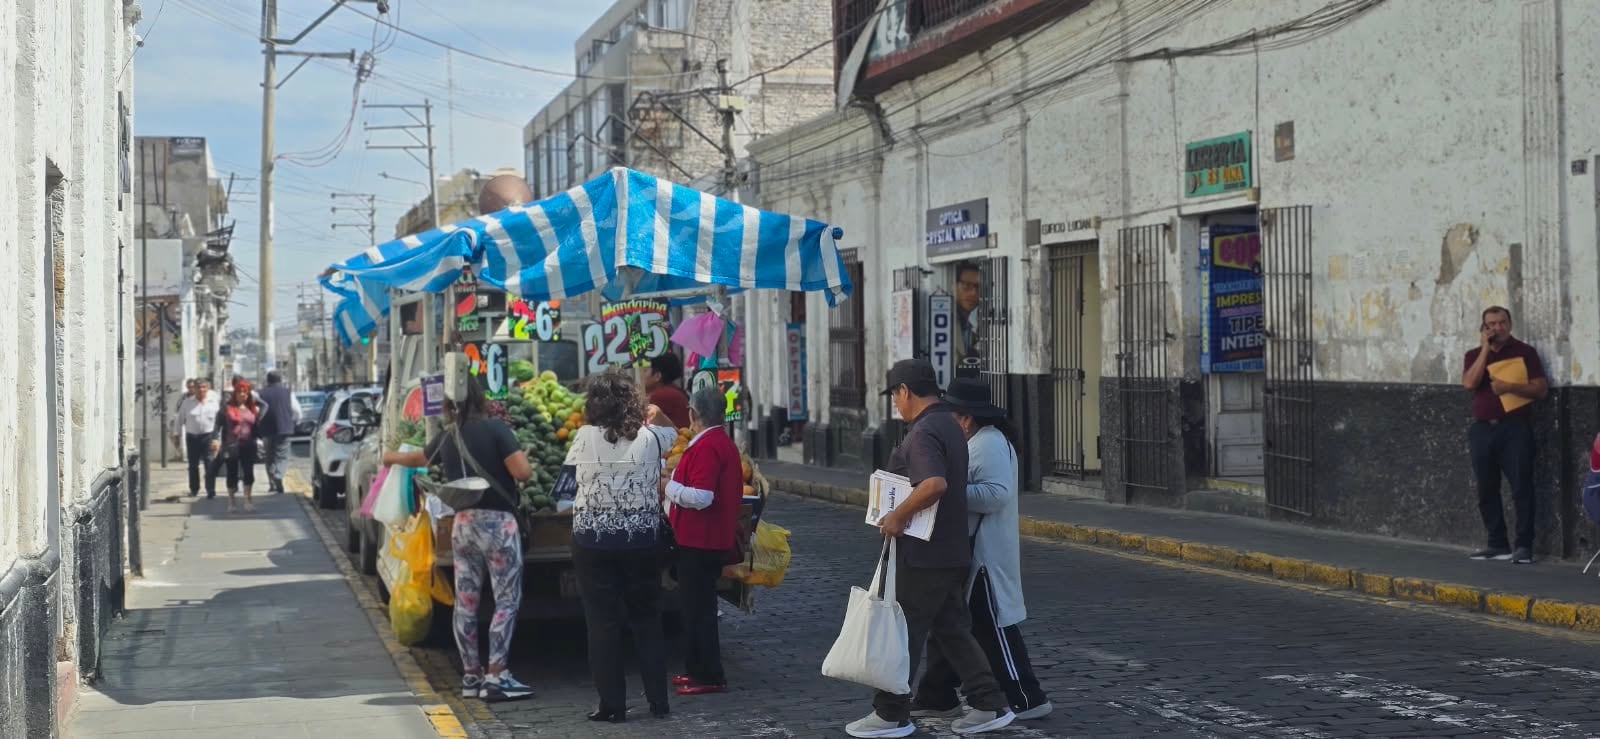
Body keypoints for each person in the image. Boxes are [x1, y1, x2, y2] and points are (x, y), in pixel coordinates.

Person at [846, 359, 1014, 738]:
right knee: (952, 629)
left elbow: (933, 483)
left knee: (902, 630)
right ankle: (988, 703)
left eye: (895, 396)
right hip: (951, 549)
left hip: (924, 553)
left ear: (905, 391)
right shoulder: (950, 426)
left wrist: (897, 517)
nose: (896, 404)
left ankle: (890, 714)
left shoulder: (922, 432)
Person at [384, 374, 535, 703]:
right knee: (505, 601)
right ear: (480, 397)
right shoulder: (496, 429)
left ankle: (470, 676)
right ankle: (496, 676)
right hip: (498, 526)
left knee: (465, 603)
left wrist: (390, 457)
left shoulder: (448, 435)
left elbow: (420, 460)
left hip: (463, 526)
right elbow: (522, 473)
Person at [912, 378, 1050, 721]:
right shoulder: (977, 441)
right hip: (968, 550)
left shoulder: (987, 444)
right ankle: (937, 694)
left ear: (966, 419)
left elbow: (996, 494)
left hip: (986, 554)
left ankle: (1027, 696)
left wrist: (947, 494)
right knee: (952, 624)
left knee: (992, 626)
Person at [565, 371, 678, 723]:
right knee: (647, 619)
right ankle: (659, 702)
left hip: (592, 542)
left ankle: (612, 705)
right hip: (641, 540)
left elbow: (565, 489)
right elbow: (674, 429)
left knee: (603, 624)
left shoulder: (582, 438)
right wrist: (653, 411)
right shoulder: (653, 437)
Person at [663, 385, 743, 697]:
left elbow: (702, 496)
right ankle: (696, 668)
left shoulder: (709, 446)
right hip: (699, 539)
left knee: (700, 611)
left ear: (693, 414)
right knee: (693, 609)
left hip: (702, 541)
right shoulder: (715, 442)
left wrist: (669, 487)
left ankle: (709, 674)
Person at [1462, 306, 1547, 564]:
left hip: (1515, 427)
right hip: (1482, 428)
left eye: (1501, 323)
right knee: (1486, 488)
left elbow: (1541, 390)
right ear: (1483, 328)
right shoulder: (1474, 355)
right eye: (1491, 324)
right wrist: (1485, 350)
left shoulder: (1524, 352)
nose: (1497, 328)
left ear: (1509, 324)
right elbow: (1469, 384)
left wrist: (1509, 386)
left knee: (1521, 486)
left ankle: (1523, 546)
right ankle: (1497, 543)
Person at [215, 381, 267, 513]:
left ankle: (247, 500)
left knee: (248, 473)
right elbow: (217, 425)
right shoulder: (226, 408)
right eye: (240, 392)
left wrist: (255, 398)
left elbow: (264, 409)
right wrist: (215, 440)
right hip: (231, 445)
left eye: (245, 392)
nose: (242, 395)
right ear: (235, 393)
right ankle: (231, 501)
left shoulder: (252, 408)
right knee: (231, 473)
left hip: (248, 444)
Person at [256, 370, 302, 494]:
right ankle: (278, 475)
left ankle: (272, 483)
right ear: (280, 380)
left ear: (267, 380)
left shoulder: (260, 393)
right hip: (284, 428)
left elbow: (257, 411)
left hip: (266, 429)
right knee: (282, 455)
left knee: (269, 456)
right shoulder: (287, 393)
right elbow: (296, 410)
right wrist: (296, 421)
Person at [174, 379, 220, 498]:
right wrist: (176, 435)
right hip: (192, 437)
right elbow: (179, 421)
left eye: (204, 387)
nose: (201, 390)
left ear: (207, 388)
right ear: (193, 389)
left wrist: (217, 439)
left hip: (208, 436)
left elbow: (219, 421)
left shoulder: (213, 402)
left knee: (209, 463)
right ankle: (194, 489)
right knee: (193, 465)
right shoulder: (187, 403)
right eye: (198, 387)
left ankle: (211, 490)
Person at [645, 352, 692, 429]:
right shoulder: (671, 391)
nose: (641, 375)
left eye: (645, 371)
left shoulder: (661, 396)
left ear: (657, 376)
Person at [953, 262, 983, 379]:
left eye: (978, 287)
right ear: (953, 286)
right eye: (966, 286)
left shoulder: (969, 327)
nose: (973, 293)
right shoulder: (946, 324)